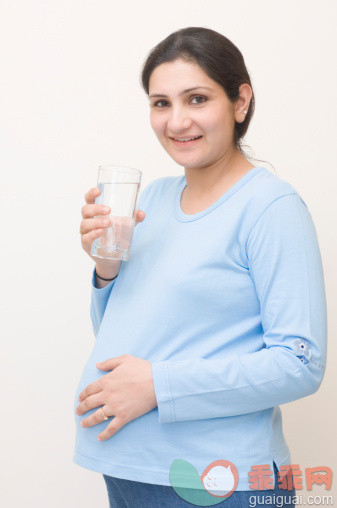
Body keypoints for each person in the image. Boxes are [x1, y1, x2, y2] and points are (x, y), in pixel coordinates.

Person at [73, 27, 327, 507]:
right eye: (161, 103)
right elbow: (122, 338)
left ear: (240, 102)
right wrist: (106, 270)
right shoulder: (153, 199)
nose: (177, 121)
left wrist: (157, 386)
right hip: (128, 469)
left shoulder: (271, 207)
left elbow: (301, 363)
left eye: (196, 98)